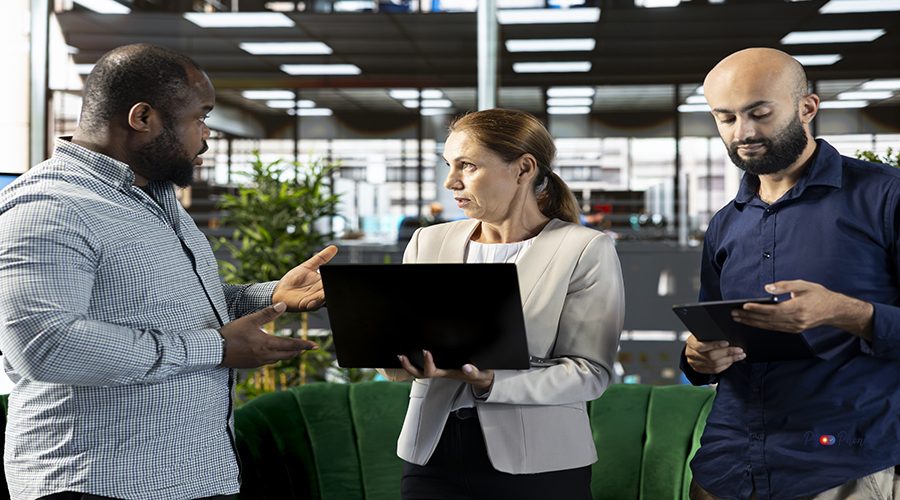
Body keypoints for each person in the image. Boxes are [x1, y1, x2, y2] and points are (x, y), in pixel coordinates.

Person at [0, 44, 337, 500]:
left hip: (191, 478)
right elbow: (45, 346)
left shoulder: (154, 201)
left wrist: (270, 295)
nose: (207, 136)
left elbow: (172, 307)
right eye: (201, 117)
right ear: (143, 118)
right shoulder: (50, 207)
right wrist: (215, 348)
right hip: (98, 486)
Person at [682, 47, 900, 499]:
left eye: (759, 113)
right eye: (725, 118)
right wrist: (698, 360)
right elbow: (709, 338)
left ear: (808, 108)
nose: (743, 133)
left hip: (840, 466)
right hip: (726, 467)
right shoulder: (726, 222)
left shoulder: (884, 198)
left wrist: (846, 312)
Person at [381, 108, 625, 499]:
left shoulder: (583, 249)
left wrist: (491, 381)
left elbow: (590, 371)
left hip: (542, 460)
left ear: (523, 168)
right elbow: (403, 349)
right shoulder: (429, 243)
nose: (450, 181)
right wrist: (381, 341)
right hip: (432, 453)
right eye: (449, 165)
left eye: (468, 166)